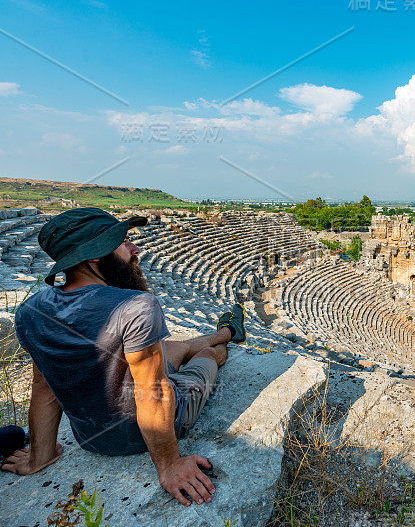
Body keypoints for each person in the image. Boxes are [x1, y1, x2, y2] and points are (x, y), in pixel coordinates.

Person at [1, 208, 246, 507]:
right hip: (148, 429)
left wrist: (42, 455)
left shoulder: (30, 311)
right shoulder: (136, 306)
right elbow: (151, 393)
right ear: (94, 254)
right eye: (124, 241)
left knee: (176, 348)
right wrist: (169, 466)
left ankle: (227, 330)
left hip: (91, 438)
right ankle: (222, 341)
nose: (135, 249)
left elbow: (44, 386)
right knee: (206, 355)